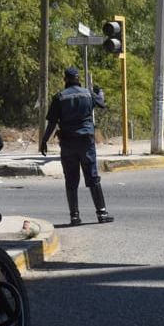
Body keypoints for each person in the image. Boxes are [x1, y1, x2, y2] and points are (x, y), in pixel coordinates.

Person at [40, 67, 113, 225]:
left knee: (71, 179)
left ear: (65, 79)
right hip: (86, 142)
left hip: (68, 144)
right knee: (92, 177)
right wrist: (100, 92)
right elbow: (102, 103)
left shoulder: (59, 97)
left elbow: (52, 123)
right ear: (78, 79)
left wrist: (44, 141)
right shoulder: (88, 94)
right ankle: (102, 213)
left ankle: (74, 216)